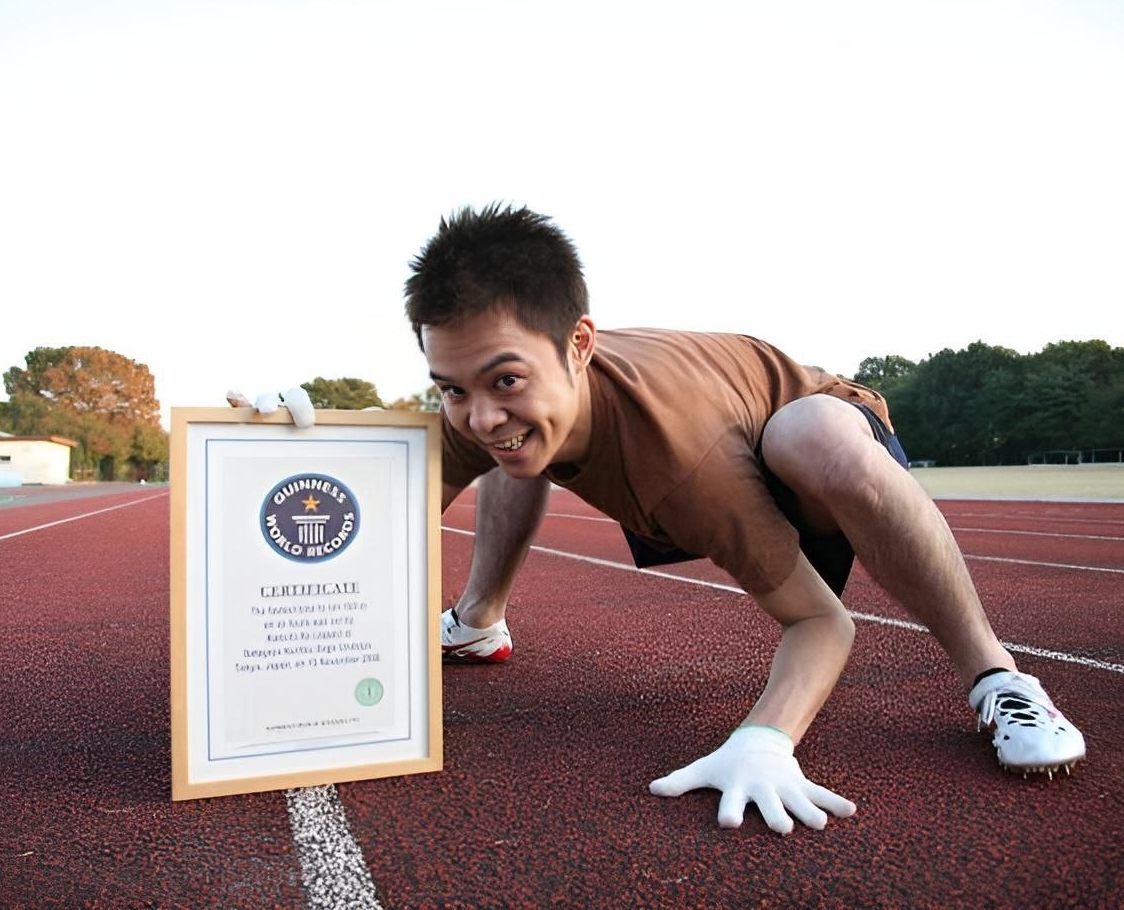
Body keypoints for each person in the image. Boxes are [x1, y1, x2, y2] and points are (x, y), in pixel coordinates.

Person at [403, 203, 1086, 834]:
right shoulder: (482, 407)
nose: (480, 410)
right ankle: (478, 621)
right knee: (513, 444)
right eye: (454, 386)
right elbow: (380, 522)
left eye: (506, 379)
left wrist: (765, 739)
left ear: (579, 344)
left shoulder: (685, 461)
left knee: (809, 431)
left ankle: (998, 676)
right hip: (677, 454)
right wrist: (308, 449)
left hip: (804, 453)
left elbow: (820, 622)